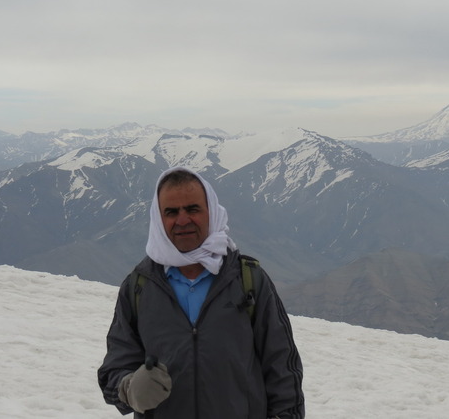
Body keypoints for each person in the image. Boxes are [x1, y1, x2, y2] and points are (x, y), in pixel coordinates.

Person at [98, 166, 305, 418]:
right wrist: (129, 388)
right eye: (171, 212)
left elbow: (282, 368)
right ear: (158, 218)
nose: (183, 220)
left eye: (193, 209)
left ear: (212, 212)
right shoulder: (138, 288)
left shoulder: (248, 280)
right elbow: (113, 370)